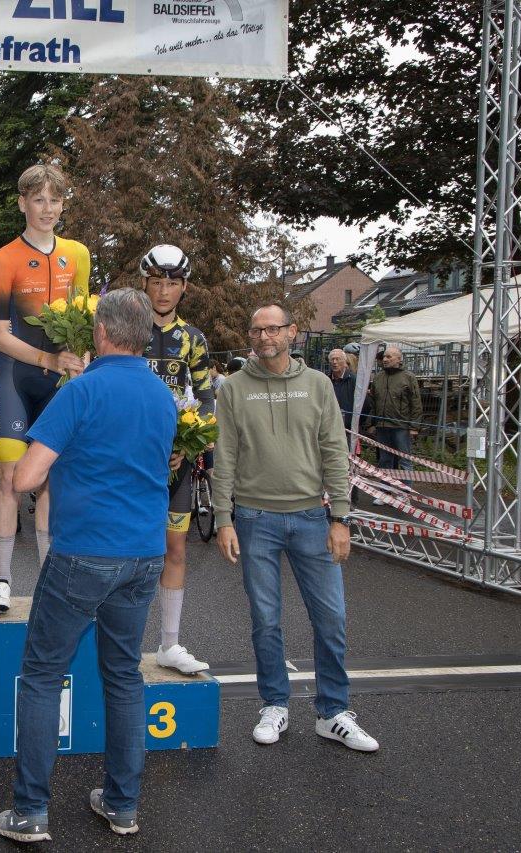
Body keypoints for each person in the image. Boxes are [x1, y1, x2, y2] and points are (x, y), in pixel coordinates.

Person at [0, 289, 175, 844]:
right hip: (144, 554)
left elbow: (26, 478)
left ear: (100, 332)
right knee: (124, 676)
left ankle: (31, 811)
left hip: (85, 552)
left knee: (43, 675)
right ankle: (122, 804)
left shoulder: (82, 390)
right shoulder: (163, 395)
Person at [212, 302, 378, 753]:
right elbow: (224, 456)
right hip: (254, 518)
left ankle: (333, 712)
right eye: (256, 330)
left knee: (331, 617)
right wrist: (223, 517)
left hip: (310, 517)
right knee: (266, 620)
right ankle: (274, 704)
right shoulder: (233, 388)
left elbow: (334, 452)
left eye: (273, 329)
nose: (264, 337)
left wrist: (340, 517)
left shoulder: (318, 385)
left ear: (293, 332)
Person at [0, 164, 91, 614]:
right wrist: (47, 359)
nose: (47, 209)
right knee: (10, 479)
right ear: (22, 203)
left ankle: (49, 580)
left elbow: (83, 321)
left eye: (55, 200)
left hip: (60, 382)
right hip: (16, 376)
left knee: (50, 480)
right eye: (38, 199)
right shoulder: (4, 258)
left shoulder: (78, 254)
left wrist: (80, 361)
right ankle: (1, 581)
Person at [138, 244, 212, 676]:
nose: (164, 291)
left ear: (184, 288)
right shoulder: (129, 330)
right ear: (144, 283)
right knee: (127, 550)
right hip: (130, 460)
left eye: (172, 283)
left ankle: (169, 643)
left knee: (175, 548)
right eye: (157, 282)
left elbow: (205, 397)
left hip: (175, 460)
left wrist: (188, 444)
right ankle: (119, 643)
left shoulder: (194, 339)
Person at [368, 344, 421, 491]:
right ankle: (385, 491)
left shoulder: (408, 377)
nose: (385, 359)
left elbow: (416, 403)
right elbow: (374, 402)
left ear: (399, 359)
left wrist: (414, 427)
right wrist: (371, 423)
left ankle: (405, 493)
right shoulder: (378, 378)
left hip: (401, 427)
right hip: (382, 426)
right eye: (384, 356)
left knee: (405, 460)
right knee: (384, 460)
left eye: (389, 357)